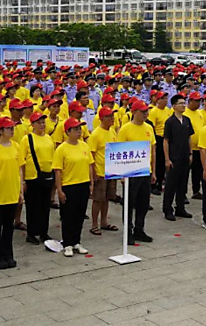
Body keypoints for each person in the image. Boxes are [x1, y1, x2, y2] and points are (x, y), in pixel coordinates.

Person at [0, 116, 25, 270]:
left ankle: (8, 254)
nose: (12, 130)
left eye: (12, 128)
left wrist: (20, 191)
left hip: (12, 193)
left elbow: (19, 170)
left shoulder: (16, 146)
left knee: (8, 227)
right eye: (8, 128)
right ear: (0, 131)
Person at [53, 117, 94, 257]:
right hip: (69, 186)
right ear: (68, 132)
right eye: (76, 129)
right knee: (68, 216)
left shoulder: (84, 146)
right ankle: (68, 243)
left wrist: (91, 183)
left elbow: (90, 165)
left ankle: (77, 241)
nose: (79, 131)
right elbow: (58, 171)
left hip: (83, 184)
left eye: (80, 129)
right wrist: (59, 190)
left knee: (80, 215)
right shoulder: (61, 149)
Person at [116, 100, 156, 245]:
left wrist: (153, 171)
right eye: (142, 112)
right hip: (130, 173)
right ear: (134, 112)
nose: (146, 114)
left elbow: (153, 150)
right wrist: (122, 174)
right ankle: (128, 231)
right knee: (129, 204)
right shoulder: (125, 129)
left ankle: (140, 229)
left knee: (143, 203)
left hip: (145, 171)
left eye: (147, 111)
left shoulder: (149, 127)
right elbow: (119, 151)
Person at [20, 111, 55, 244]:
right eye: (39, 122)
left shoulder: (49, 138)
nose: (42, 125)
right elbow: (22, 161)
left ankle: (43, 232)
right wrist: (23, 180)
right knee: (32, 206)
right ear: (33, 124)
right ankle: (31, 233)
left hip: (47, 175)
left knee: (45, 206)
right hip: (32, 177)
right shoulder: (27, 139)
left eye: (43, 122)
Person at [86, 107, 119, 235]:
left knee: (107, 198)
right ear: (102, 118)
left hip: (110, 171)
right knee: (98, 199)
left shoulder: (112, 131)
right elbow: (91, 155)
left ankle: (104, 222)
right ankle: (94, 224)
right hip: (99, 171)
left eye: (112, 116)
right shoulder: (95, 134)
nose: (112, 119)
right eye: (109, 116)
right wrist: (93, 174)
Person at [163, 94, 194, 221]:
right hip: (174, 157)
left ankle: (180, 208)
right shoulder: (170, 122)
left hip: (185, 156)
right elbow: (166, 141)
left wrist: (191, 153)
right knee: (171, 185)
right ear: (174, 106)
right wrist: (167, 159)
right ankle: (167, 209)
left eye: (184, 103)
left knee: (183, 183)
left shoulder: (187, 120)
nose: (183, 105)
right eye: (180, 103)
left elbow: (189, 137)